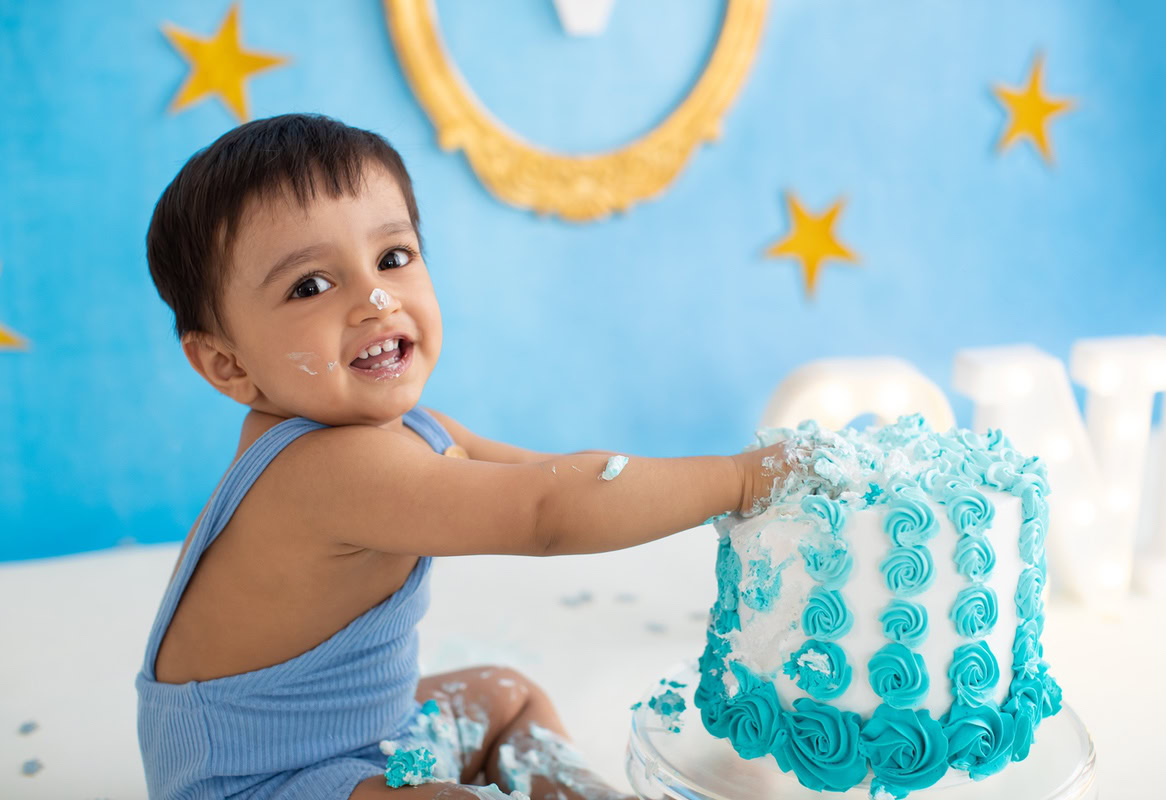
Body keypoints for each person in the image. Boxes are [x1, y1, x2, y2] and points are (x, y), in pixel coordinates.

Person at [135, 113, 799, 800]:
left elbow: (548, 476)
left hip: (364, 740)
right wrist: (741, 479)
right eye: (310, 285)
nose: (375, 298)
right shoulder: (322, 472)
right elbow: (547, 512)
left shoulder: (411, 428)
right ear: (227, 363)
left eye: (393, 257)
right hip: (263, 782)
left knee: (505, 698)